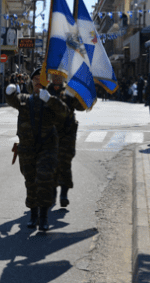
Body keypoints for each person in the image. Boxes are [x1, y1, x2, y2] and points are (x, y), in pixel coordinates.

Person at [5, 68, 67, 231]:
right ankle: (33, 214)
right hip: (27, 148)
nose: (38, 82)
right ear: (31, 83)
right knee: (30, 182)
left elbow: (64, 112)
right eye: (35, 80)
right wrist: (9, 92)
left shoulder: (52, 99)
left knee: (44, 179)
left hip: (47, 146)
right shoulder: (25, 99)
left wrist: (50, 100)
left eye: (41, 80)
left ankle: (44, 217)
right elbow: (12, 101)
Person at [47, 74, 85, 208]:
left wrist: (78, 94)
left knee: (65, 163)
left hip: (67, 133)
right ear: (51, 76)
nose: (57, 78)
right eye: (55, 75)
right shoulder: (46, 91)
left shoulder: (69, 91)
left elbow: (81, 107)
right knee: (51, 164)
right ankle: (52, 193)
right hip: (50, 133)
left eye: (59, 75)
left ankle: (64, 194)